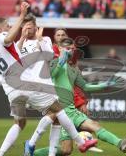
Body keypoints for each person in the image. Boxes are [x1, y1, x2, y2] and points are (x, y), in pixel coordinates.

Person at [33, 38, 126, 156]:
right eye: (67, 49)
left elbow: (85, 86)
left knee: (94, 127)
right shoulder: (53, 62)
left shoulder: (74, 69)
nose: (70, 51)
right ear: (60, 48)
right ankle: (32, 153)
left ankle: (121, 143)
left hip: (72, 110)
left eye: (72, 49)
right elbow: (51, 76)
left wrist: (104, 85)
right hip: (61, 113)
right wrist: (60, 63)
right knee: (66, 150)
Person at [16, 14, 97, 156]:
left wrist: (81, 101)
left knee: (57, 120)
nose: (60, 37)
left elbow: (71, 78)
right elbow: (23, 58)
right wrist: (25, 38)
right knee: (56, 113)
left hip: (53, 87)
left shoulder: (53, 44)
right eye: (58, 34)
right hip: (40, 85)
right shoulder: (30, 45)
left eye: (62, 34)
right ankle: (33, 143)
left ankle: (43, 150)